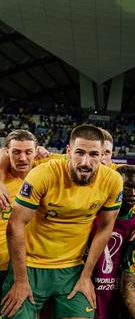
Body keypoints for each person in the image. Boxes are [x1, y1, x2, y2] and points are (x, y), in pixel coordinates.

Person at [1, 124, 124, 318]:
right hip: (30, 266)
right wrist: (20, 280)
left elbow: (106, 227)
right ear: (68, 151)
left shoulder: (113, 180)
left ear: (103, 155)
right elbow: (16, 224)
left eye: (93, 154)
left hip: (73, 270)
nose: (86, 162)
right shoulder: (45, 173)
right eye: (79, 153)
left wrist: (86, 276)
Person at [91, 165, 135, 319]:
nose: (132, 194)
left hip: (127, 290)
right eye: (126, 187)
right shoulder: (93, 213)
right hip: (93, 288)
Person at [0, 130, 38, 288]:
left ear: (37, 151)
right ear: (6, 152)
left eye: (28, 152)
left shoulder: (47, 174)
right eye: (16, 152)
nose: (22, 158)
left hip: (35, 265)